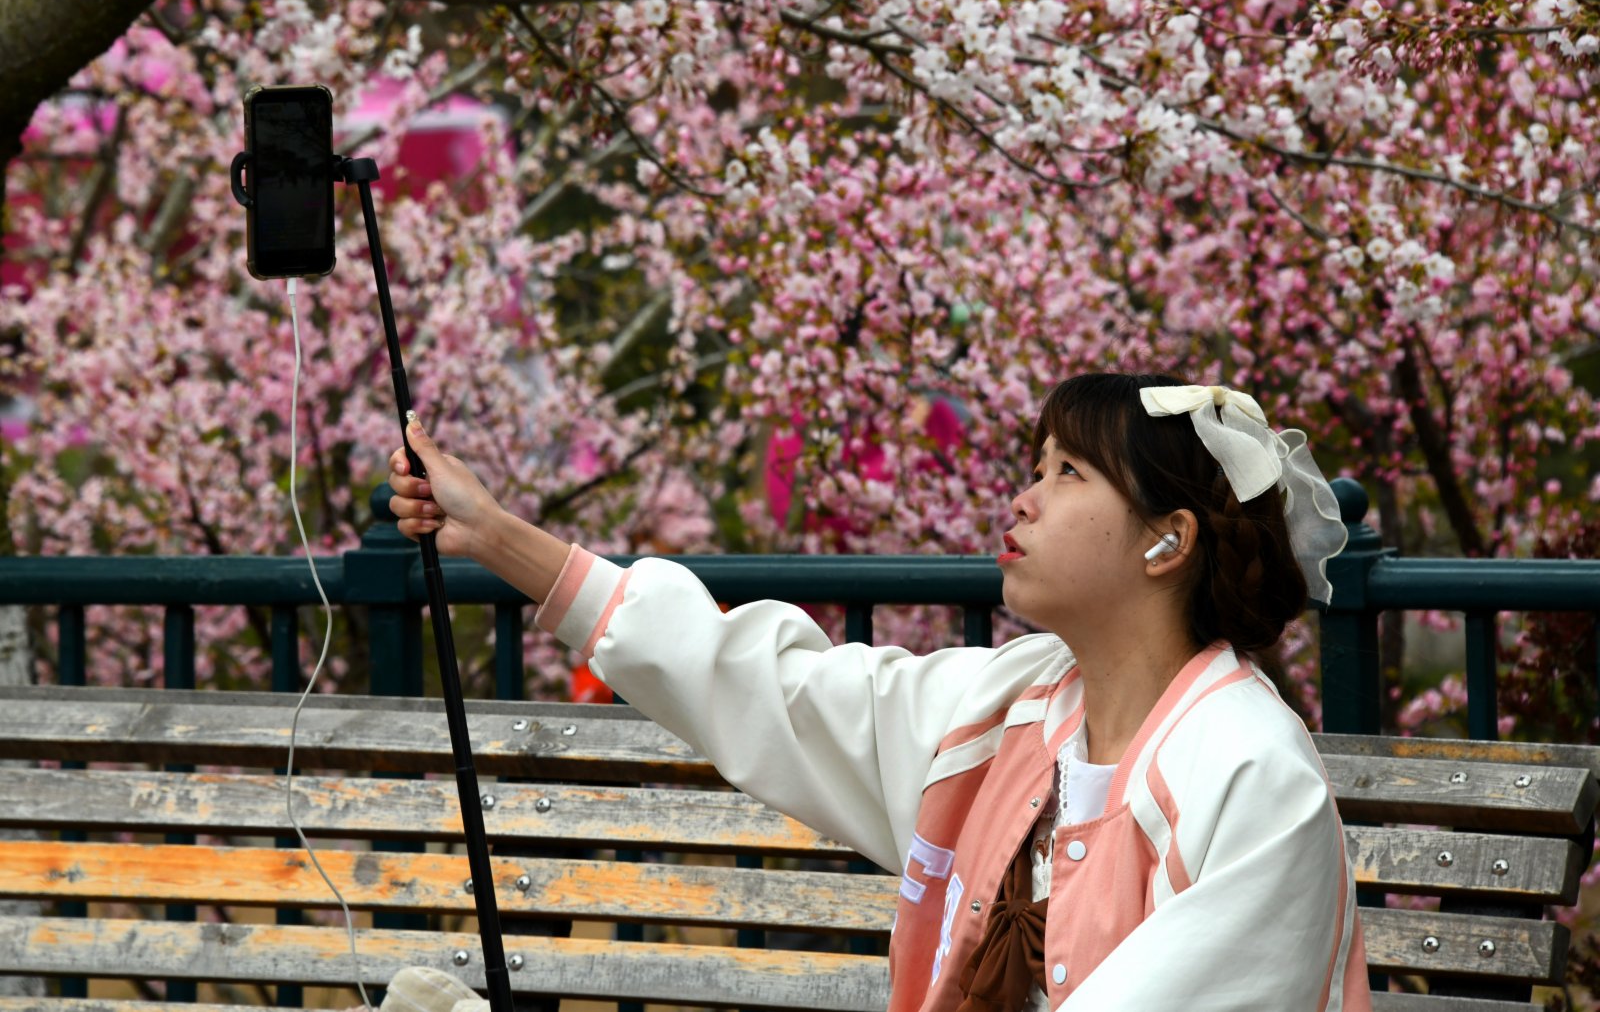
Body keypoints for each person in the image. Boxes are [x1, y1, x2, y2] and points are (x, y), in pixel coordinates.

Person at [384, 372, 1370, 1011]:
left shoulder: (1247, 769)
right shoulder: (1017, 711)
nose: (1022, 498)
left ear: (1169, 539)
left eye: (1068, 473)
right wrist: (498, 538)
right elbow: (776, 687)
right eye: (1035, 467)